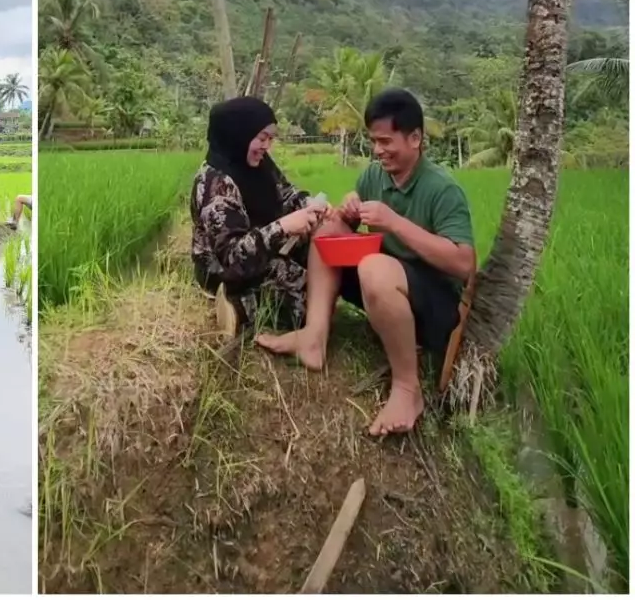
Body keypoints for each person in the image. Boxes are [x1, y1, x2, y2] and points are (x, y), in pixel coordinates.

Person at [256, 89, 476, 437]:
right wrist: (348, 213)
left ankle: (408, 388)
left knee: (374, 267)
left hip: (433, 308)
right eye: (373, 141)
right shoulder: (374, 177)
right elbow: (356, 231)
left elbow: (464, 264)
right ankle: (314, 338)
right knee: (327, 227)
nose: (377, 150)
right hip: (383, 286)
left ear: (415, 138)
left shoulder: (442, 189)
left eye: (386, 141)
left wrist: (394, 222)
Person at [190, 97, 328, 334]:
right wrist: (282, 227)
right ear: (238, 134)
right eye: (262, 138)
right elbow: (232, 256)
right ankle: (237, 305)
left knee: (323, 256)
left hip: (261, 248)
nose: (267, 146)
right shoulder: (216, 184)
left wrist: (310, 205)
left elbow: (286, 194)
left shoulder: (259, 163)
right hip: (226, 268)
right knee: (303, 292)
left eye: (270, 139)